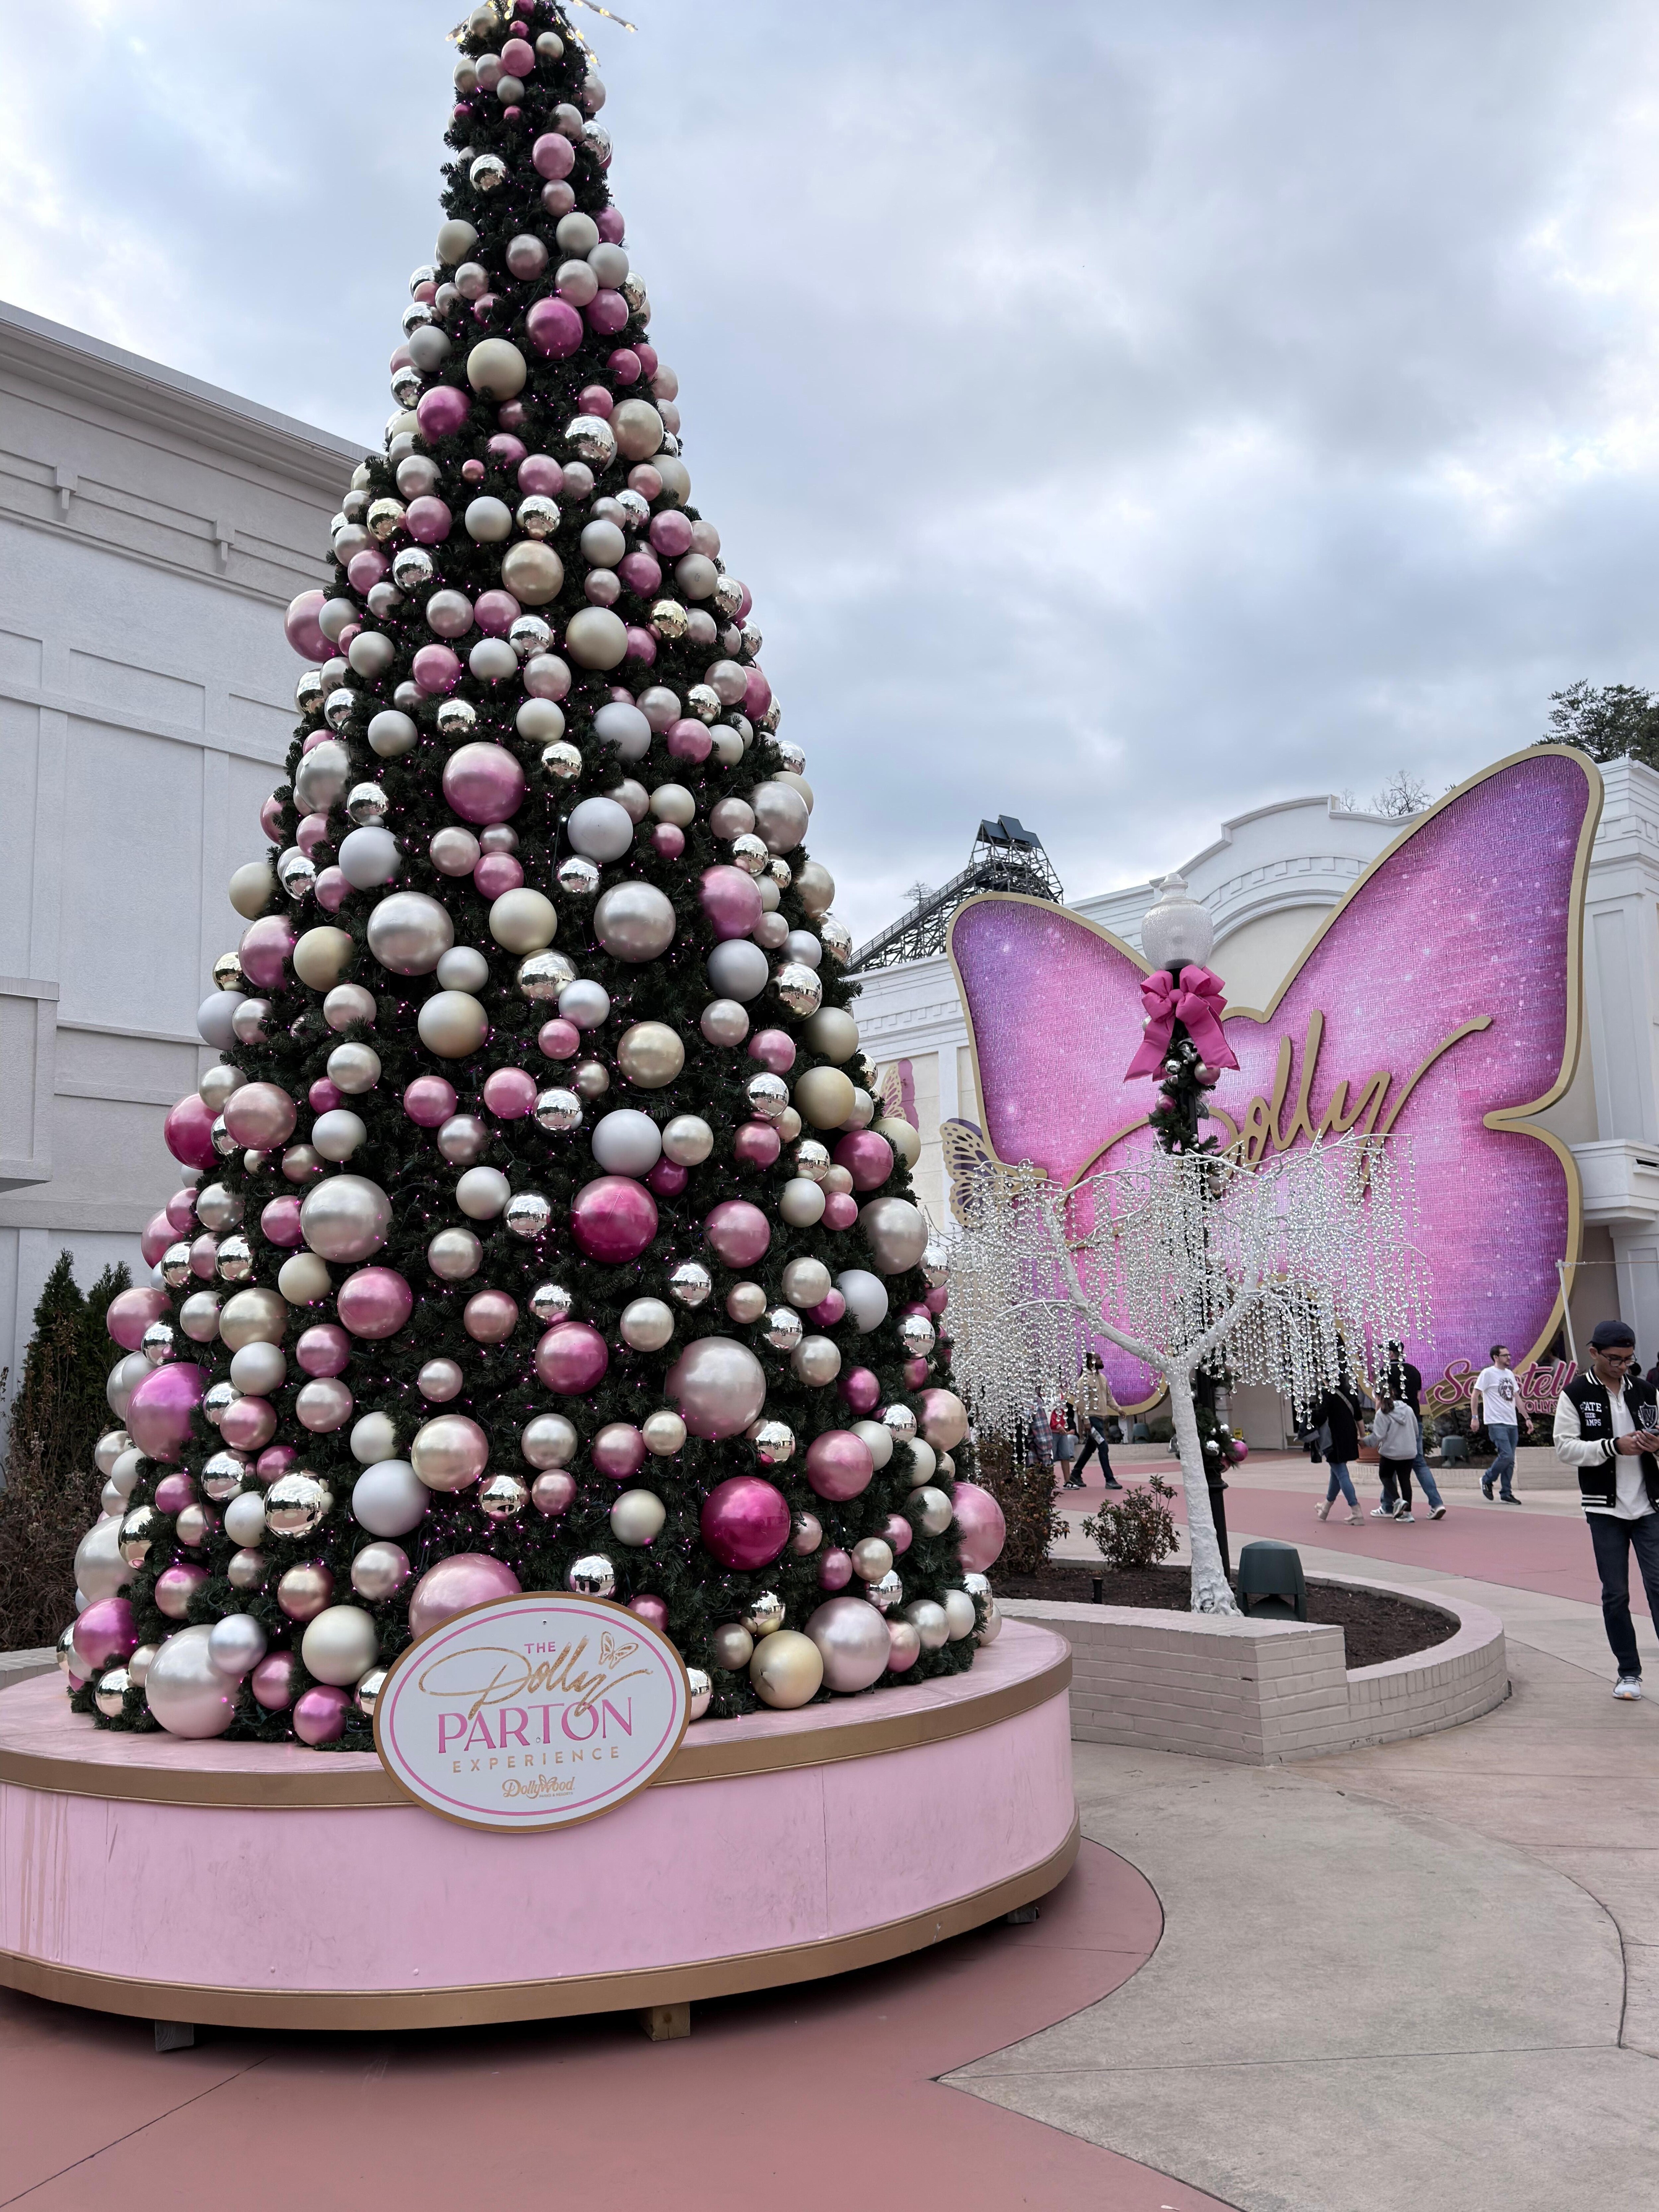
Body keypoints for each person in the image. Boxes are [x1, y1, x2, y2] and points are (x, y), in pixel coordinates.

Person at [1552, 1318, 1659, 1701]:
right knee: (1615, 1594)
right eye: (1614, 1358)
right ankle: (1628, 1672)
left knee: (1658, 1585)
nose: (1622, 1366)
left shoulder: (1645, 1390)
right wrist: (1613, 1446)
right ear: (1593, 1352)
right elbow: (1565, 1447)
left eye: (1628, 1359)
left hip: (1649, 1506)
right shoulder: (1575, 1393)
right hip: (1604, 1510)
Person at [1384, 1342, 1447, 1520]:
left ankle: (1389, 1505)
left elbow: (1382, 1399)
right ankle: (1437, 1503)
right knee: (1419, 1462)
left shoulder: (1386, 1372)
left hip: (1393, 1422)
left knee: (1390, 1459)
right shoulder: (1414, 1371)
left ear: (1391, 1354)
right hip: (1414, 1420)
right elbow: (1418, 1397)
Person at [1471, 1343, 1522, 1501]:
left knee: (1510, 1460)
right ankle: (1487, 1479)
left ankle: (1506, 1493)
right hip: (1496, 1422)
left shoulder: (1510, 1374)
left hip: (1512, 1422)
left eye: (1509, 1355)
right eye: (1505, 1355)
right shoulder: (1488, 1373)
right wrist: (1475, 1418)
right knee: (1506, 1455)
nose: (1509, 1358)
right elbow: (1475, 1395)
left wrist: (1527, 1418)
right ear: (1496, 1357)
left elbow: (1517, 1397)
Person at [1311, 1378, 1364, 1524]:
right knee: (1337, 1473)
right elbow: (1359, 1417)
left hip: (1333, 1440)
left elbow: (1321, 1417)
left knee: (1341, 1473)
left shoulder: (1327, 1393)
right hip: (1349, 1437)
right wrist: (1363, 1437)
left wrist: (1310, 1415)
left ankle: (1356, 1511)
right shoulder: (1350, 1391)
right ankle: (1326, 1508)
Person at [1071, 1353, 1124, 1489]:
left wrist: (1119, 1410)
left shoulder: (1103, 1379)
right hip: (1092, 1419)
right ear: (1090, 1362)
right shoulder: (1084, 1380)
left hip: (1101, 1419)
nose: (1101, 1361)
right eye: (1098, 1359)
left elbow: (1109, 1398)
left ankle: (1076, 1474)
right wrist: (1086, 1421)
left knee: (1090, 1447)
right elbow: (1081, 1402)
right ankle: (1110, 1480)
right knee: (1103, 1446)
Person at [1369, 1389, 1422, 1521]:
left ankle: (1398, 1501)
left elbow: (1378, 1436)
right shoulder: (1408, 1409)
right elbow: (1416, 1431)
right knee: (1405, 1480)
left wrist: (1365, 1442)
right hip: (1409, 1451)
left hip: (1391, 1453)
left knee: (1385, 1476)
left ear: (1379, 1399)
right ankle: (1408, 1514)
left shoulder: (1382, 1413)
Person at [1050, 1400, 1079, 1489]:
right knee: (1051, 1457)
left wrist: (1062, 1425)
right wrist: (1058, 1425)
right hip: (1052, 1431)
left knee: (1066, 1456)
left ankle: (1067, 1481)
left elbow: (1063, 1412)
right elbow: (1050, 1411)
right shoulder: (1051, 1396)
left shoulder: (1062, 1396)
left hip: (1062, 1430)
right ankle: (1048, 1480)